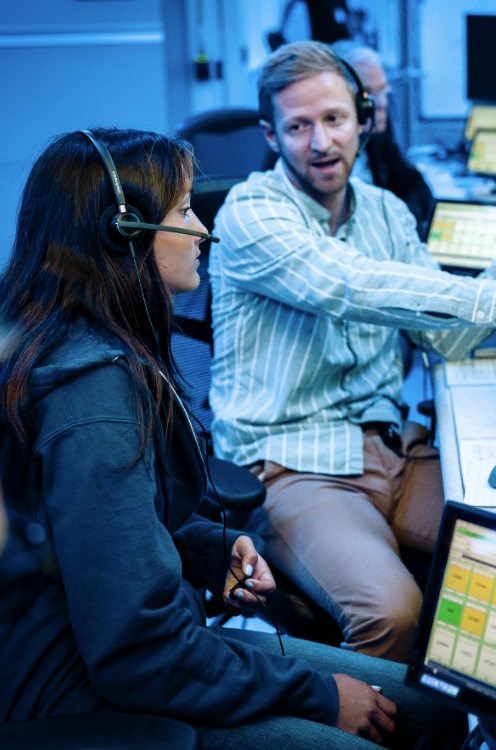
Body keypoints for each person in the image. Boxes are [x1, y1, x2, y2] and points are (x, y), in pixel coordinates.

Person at [0, 127, 466, 749]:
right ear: (124, 231)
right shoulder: (93, 397)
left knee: (435, 713)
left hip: (132, 641)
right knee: (390, 727)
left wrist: (205, 548)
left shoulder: (92, 340)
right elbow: (138, 652)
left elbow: (87, 531)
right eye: (185, 211)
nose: (201, 230)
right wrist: (318, 695)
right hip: (88, 690)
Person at [209, 40, 496, 663]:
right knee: (395, 614)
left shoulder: (386, 212)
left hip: (396, 451)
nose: (321, 142)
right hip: (297, 465)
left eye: (334, 119)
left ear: (363, 118)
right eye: (299, 126)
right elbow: (352, 285)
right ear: (271, 136)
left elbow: (445, 335)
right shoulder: (252, 212)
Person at [334, 41, 435, 236]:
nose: (381, 103)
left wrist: (396, 222)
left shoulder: (376, 140)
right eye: (368, 93)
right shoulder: (320, 155)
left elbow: (418, 188)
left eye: (383, 91)